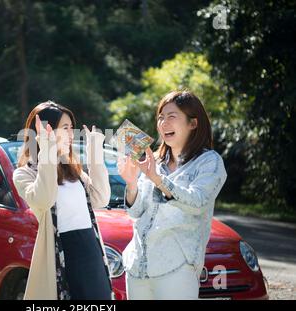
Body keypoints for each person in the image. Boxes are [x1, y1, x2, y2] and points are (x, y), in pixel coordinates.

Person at [118, 90, 227, 300]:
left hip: (178, 267)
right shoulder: (154, 162)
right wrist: (132, 184)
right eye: (160, 117)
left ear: (193, 123)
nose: (163, 123)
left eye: (171, 116)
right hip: (138, 266)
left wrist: (157, 179)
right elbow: (136, 211)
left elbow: (198, 202)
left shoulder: (209, 162)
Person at [13, 100, 113, 300]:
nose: (71, 134)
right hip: (63, 254)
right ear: (44, 131)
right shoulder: (24, 174)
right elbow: (44, 199)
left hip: (90, 251)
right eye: (65, 128)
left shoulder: (72, 170)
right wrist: (47, 150)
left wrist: (95, 153)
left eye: (71, 128)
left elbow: (101, 198)